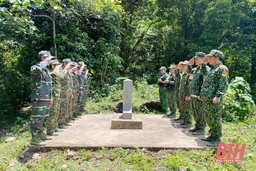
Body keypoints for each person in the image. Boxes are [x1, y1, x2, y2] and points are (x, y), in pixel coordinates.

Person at [199, 49, 229, 147]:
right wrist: (204, 63)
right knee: (209, 117)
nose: (209, 59)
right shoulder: (213, 68)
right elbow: (204, 73)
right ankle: (212, 135)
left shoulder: (222, 69)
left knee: (215, 118)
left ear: (217, 58)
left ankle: (217, 139)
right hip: (208, 98)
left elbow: (223, 84)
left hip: (214, 99)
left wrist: (218, 96)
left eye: (211, 57)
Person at [30, 51, 54, 146]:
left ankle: (40, 133)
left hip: (46, 98)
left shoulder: (47, 71)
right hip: (39, 98)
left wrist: (51, 97)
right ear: (42, 58)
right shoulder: (35, 67)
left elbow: (50, 85)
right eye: (48, 59)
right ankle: (34, 138)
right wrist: (45, 62)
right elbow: (36, 70)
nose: (49, 61)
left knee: (44, 117)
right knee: (37, 118)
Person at [187, 52, 210, 135]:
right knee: (195, 111)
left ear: (202, 59)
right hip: (193, 94)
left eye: (197, 59)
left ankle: (201, 128)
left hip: (199, 95)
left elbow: (206, 82)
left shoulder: (205, 69)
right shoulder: (196, 69)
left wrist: (202, 94)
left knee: (200, 112)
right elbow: (190, 75)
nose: (195, 60)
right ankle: (197, 126)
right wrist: (189, 65)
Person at [45, 60, 62, 136]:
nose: (58, 67)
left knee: (56, 112)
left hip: (57, 95)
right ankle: (50, 130)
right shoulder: (51, 73)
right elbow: (58, 75)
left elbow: (60, 76)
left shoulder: (56, 73)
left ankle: (55, 127)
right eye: (56, 66)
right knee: (52, 113)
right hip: (53, 96)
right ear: (52, 66)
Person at [57, 58, 73, 129]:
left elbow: (70, 83)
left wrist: (71, 92)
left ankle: (64, 121)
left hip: (68, 92)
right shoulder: (61, 70)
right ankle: (60, 123)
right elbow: (60, 77)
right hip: (62, 93)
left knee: (66, 107)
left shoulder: (68, 71)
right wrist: (65, 69)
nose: (70, 66)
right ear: (65, 64)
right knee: (62, 108)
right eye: (69, 64)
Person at [178, 61, 192, 128]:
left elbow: (190, 86)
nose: (183, 67)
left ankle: (188, 122)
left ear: (188, 66)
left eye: (184, 66)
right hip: (182, 94)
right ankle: (185, 121)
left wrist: (189, 95)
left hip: (186, 95)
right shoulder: (184, 74)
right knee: (183, 108)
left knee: (187, 109)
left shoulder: (190, 75)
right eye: (182, 66)